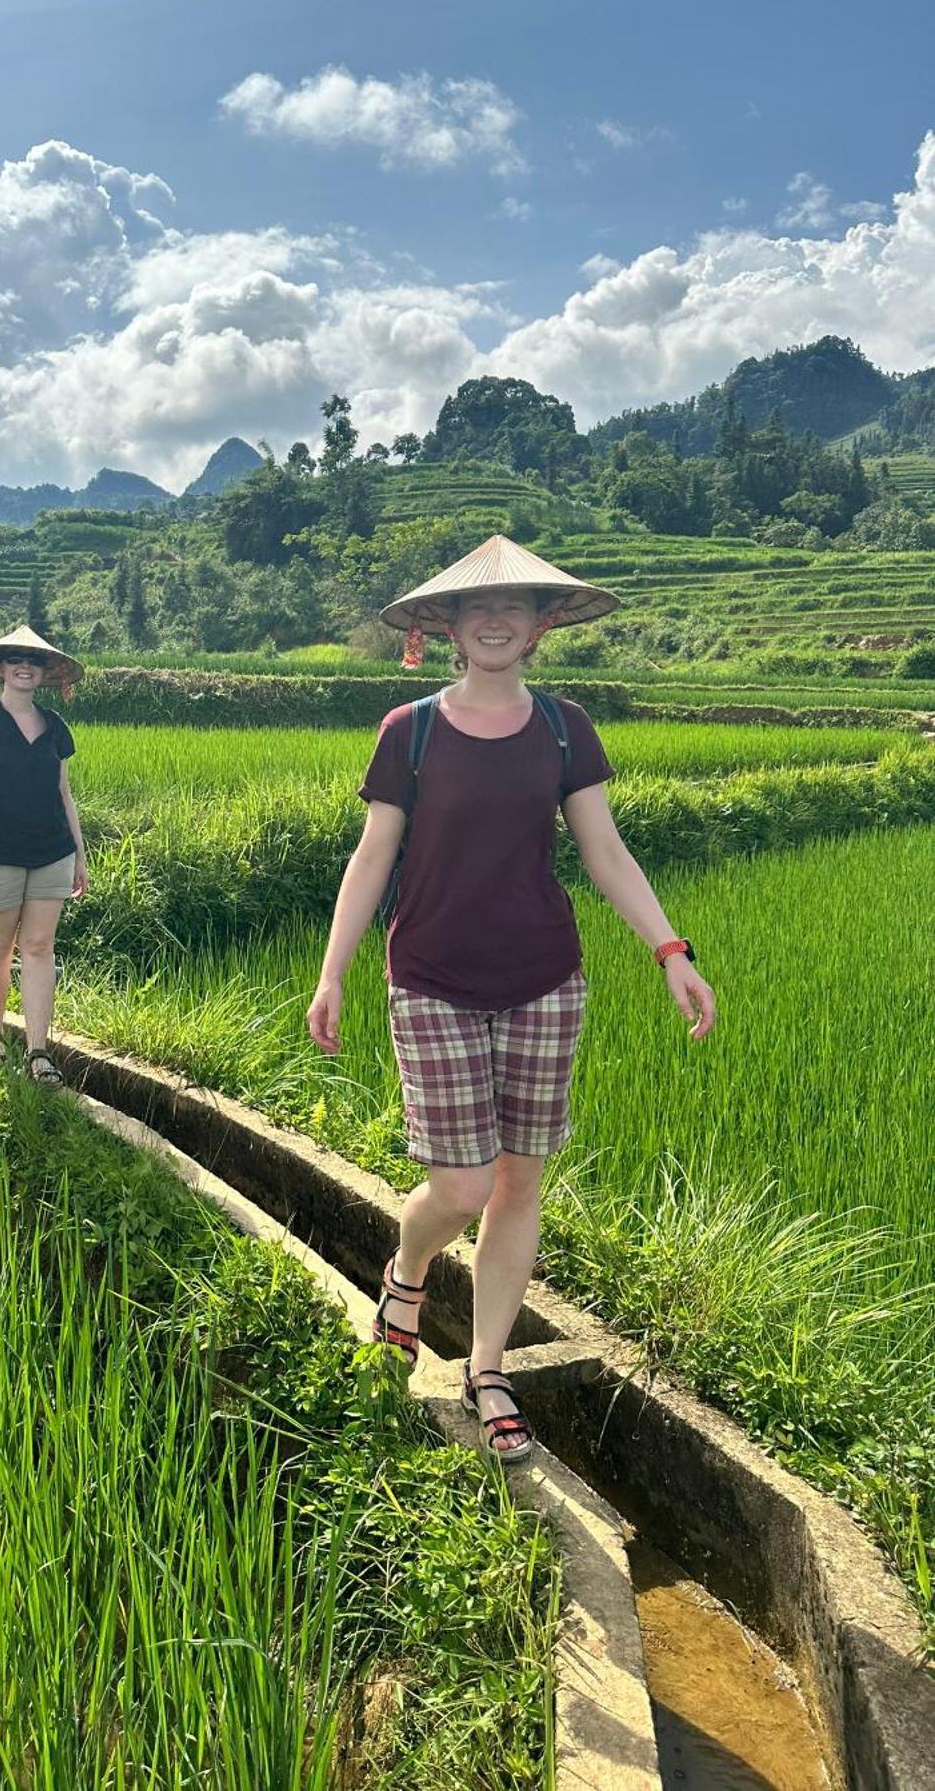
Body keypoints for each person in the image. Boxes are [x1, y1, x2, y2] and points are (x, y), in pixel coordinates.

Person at [307, 535, 717, 1463]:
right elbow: (373, 855)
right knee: (459, 1184)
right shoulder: (407, 730)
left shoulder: (565, 728)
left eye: (518, 607)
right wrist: (333, 971)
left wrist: (670, 950)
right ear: (447, 626)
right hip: (432, 979)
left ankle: (487, 1367)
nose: (496, 621)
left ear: (540, 627)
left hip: (544, 979)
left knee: (520, 1179)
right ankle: (408, 1266)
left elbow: (605, 850)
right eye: (475, 609)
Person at [0, 624, 88, 1085]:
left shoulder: (55, 727)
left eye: (35, 661)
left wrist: (80, 857)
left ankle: (38, 1050)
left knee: (40, 947)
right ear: (0, 667)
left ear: (45, 672)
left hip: (52, 853)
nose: (25, 666)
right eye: (15, 659)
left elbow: (64, 795)